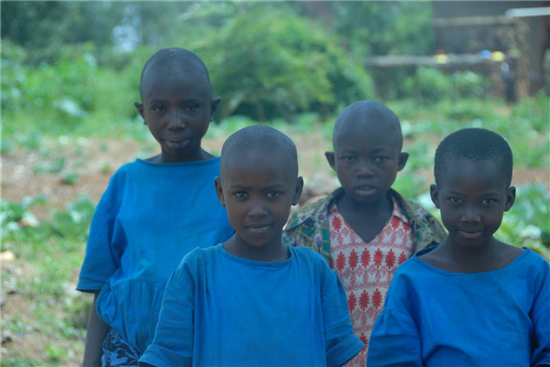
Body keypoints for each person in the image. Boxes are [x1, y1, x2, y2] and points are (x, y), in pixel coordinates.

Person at [139, 125, 365, 367]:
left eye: (272, 194)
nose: (257, 210)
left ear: (296, 191)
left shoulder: (316, 274)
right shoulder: (196, 273)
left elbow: (337, 357)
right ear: (220, 192)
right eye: (241, 195)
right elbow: (165, 358)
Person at [77, 48, 234, 367]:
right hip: (127, 353)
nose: (175, 122)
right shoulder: (126, 182)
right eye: (160, 108)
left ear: (212, 108)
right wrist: (90, 362)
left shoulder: (233, 182)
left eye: (190, 107)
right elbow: (102, 284)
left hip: (209, 352)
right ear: (142, 112)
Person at [367, 128, 550, 366]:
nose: (471, 216)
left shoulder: (533, 273)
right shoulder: (412, 281)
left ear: (508, 199)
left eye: (487, 201)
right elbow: (393, 359)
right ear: (436, 196)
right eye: (456, 200)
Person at [283, 100, 446, 366]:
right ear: (333, 161)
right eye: (350, 159)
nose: (364, 170)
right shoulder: (305, 227)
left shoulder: (422, 228)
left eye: (379, 158)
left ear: (401, 161)